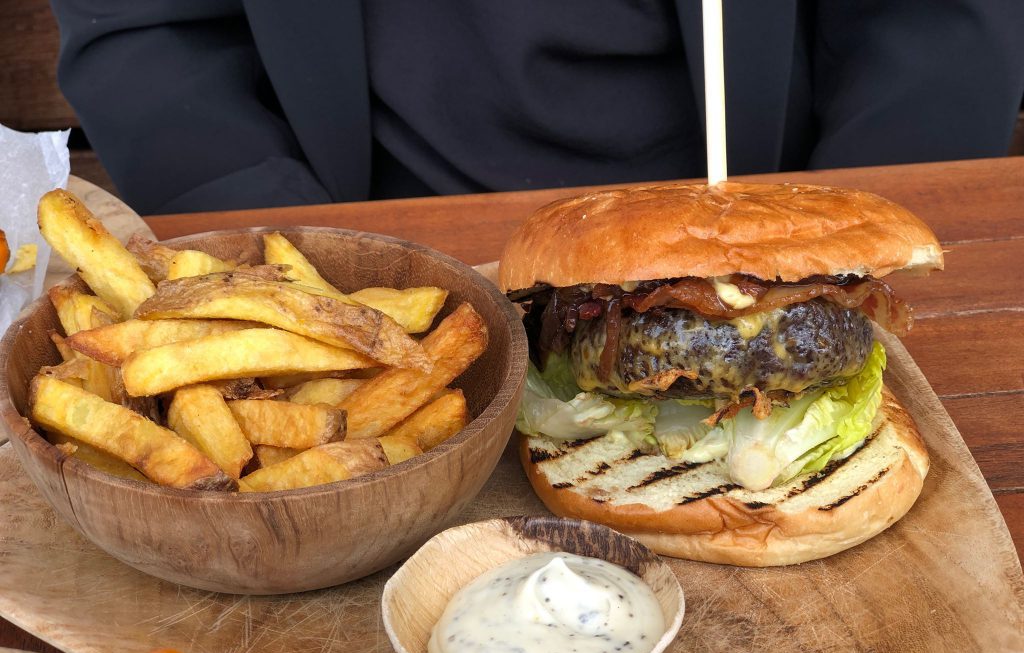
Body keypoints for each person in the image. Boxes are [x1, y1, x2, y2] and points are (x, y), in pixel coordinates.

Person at [50, 0, 1024, 215]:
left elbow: (939, 25)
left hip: (751, 241)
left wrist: (839, 245)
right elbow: (146, 32)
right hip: (357, 262)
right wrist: (293, 260)